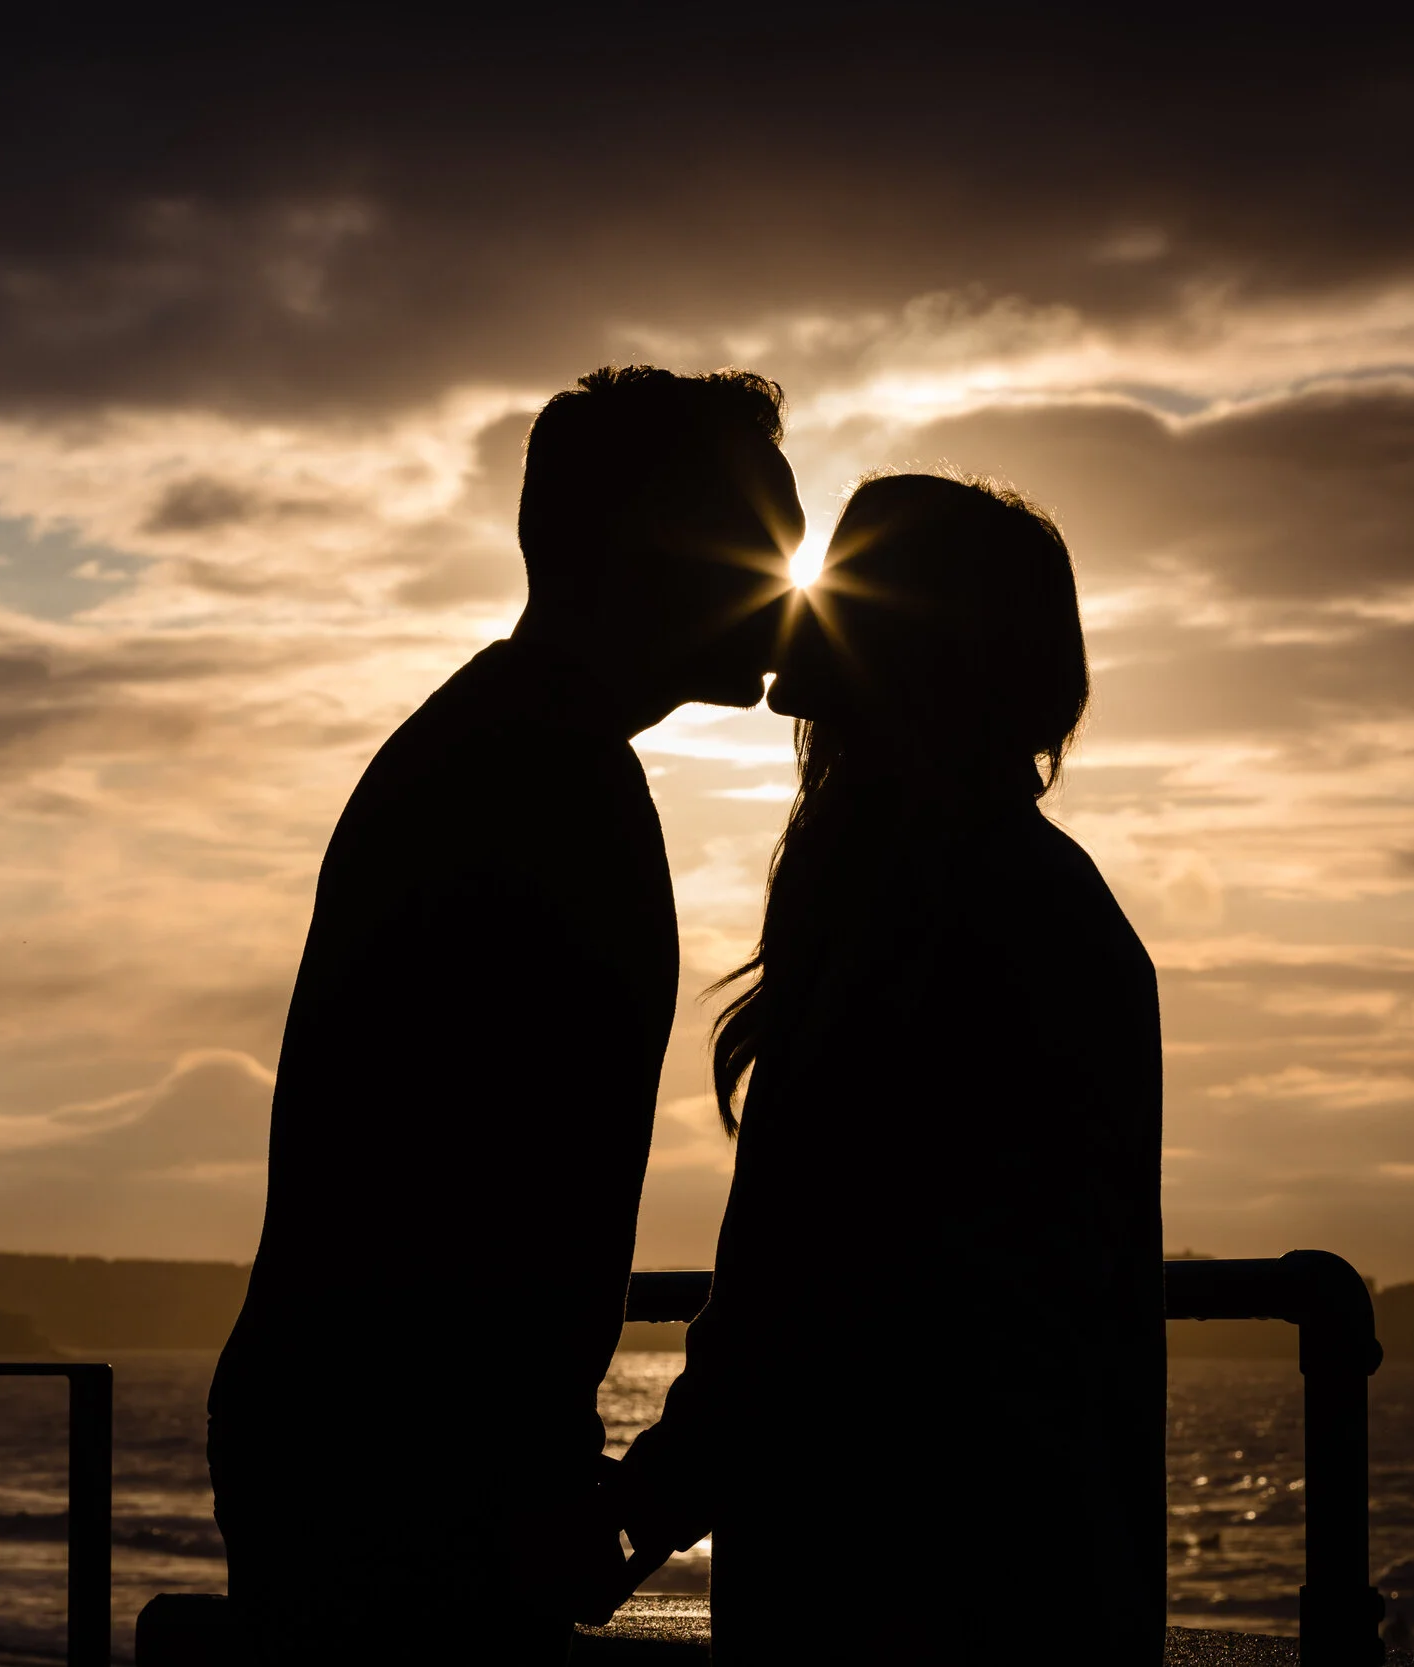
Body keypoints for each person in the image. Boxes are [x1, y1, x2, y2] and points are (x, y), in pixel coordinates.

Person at [209, 367, 801, 1665]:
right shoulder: (547, 780)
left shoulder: (498, 745)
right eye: (764, 544)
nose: (792, 583)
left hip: (360, 1457)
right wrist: (543, 1502)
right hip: (411, 1490)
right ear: (656, 550)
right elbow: (491, 1198)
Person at [612, 474, 1165, 1663]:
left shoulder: (960, 918)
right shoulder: (1010, 907)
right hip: (988, 1580)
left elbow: (828, 1279)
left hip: (914, 1594)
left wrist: (653, 1493)